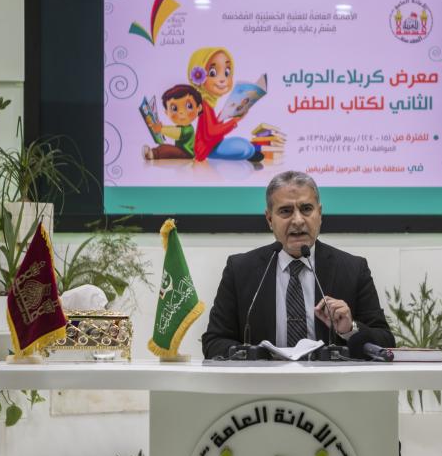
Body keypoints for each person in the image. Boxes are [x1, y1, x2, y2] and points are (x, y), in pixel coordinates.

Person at [201, 170, 395, 358]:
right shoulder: (240, 270)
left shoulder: (353, 269)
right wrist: (257, 356)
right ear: (269, 219)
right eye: (286, 211)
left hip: (331, 380)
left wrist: (349, 329)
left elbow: (386, 342)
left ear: (320, 214)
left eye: (306, 209)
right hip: (263, 379)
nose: (298, 220)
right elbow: (214, 341)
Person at [187, 47, 261, 162]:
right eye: (213, 73)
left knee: (248, 147)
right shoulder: (204, 104)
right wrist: (235, 121)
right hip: (207, 149)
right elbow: (211, 132)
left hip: (212, 144)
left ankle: (251, 154)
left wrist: (226, 113)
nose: (222, 79)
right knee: (246, 148)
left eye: (227, 72)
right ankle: (250, 154)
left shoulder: (209, 102)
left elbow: (211, 128)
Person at [143, 84, 201, 160]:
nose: (181, 112)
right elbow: (173, 129)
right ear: (167, 113)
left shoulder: (188, 129)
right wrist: (161, 128)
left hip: (187, 153)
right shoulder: (181, 127)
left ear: (198, 108)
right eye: (174, 108)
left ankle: (153, 154)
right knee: (166, 148)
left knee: (166, 149)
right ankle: (151, 153)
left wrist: (161, 129)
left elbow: (176, 133)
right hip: (181, 150)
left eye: (189, 106)